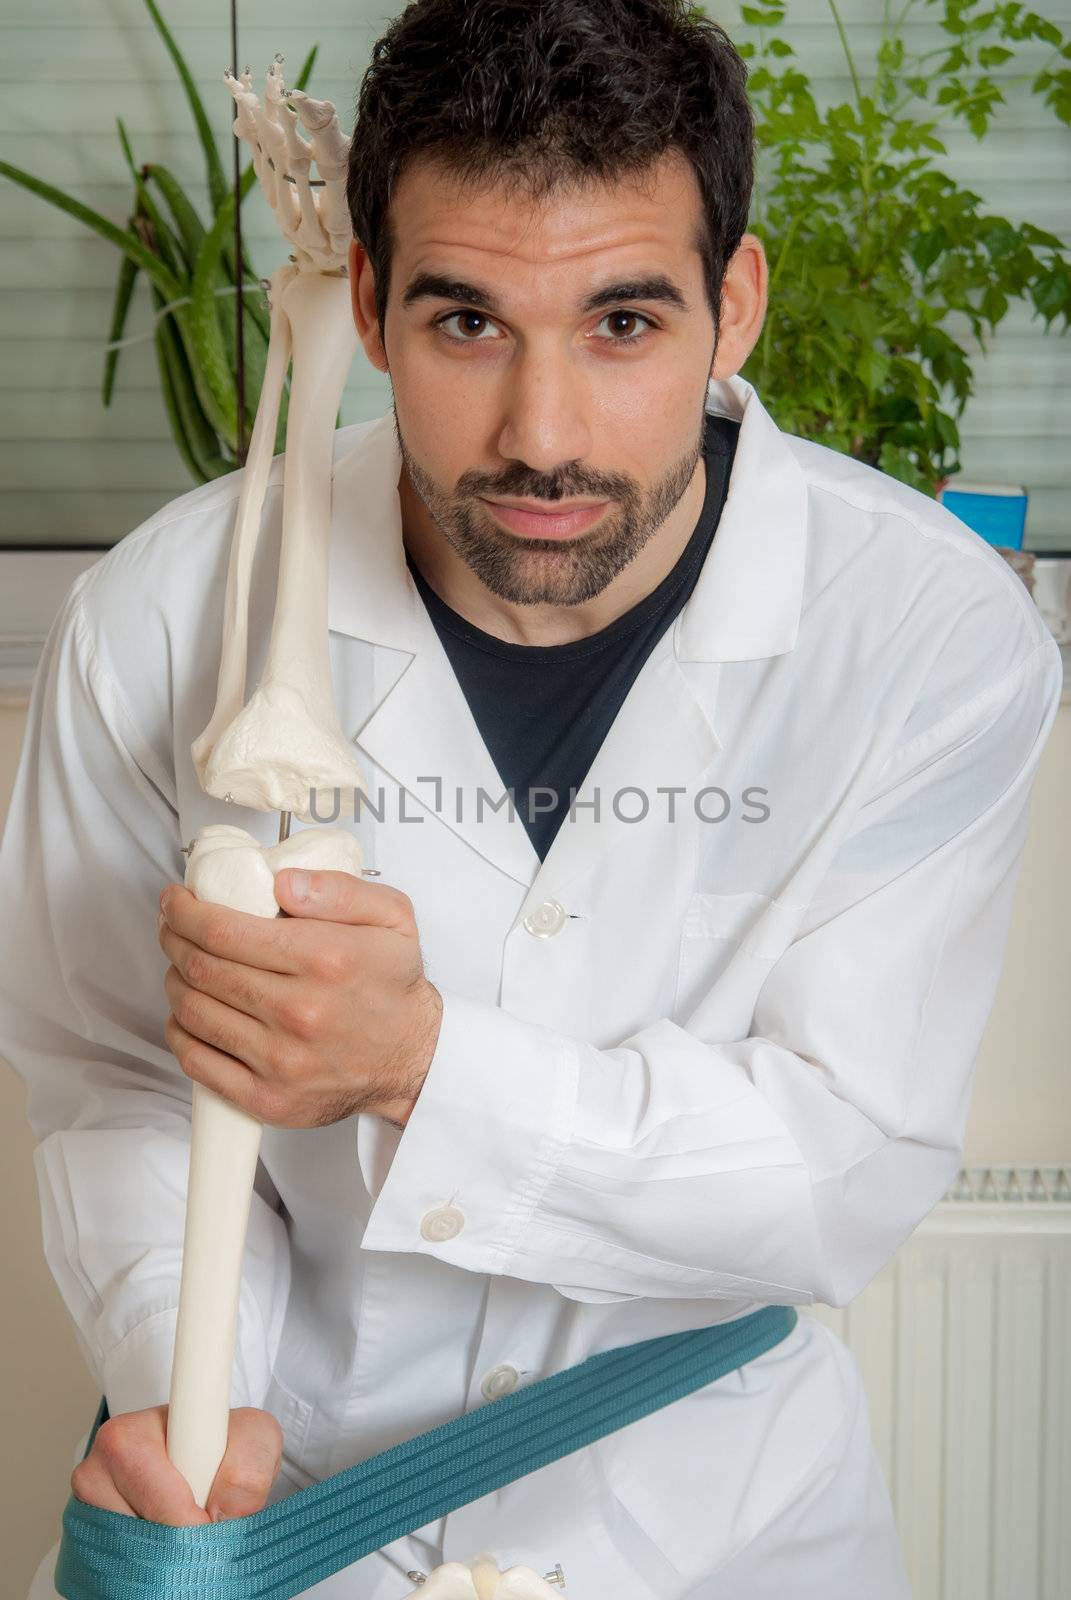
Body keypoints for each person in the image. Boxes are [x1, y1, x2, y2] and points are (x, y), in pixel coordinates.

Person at [1, 2, 1063, 1596]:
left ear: (736, 305)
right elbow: (106, 1069)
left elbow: (841, 1164)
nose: (542, 437)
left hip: (721, 1532)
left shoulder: (927, 637)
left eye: (624, 324)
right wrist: (188, 1361)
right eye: (467, 324)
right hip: (293, 1511)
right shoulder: (166, 613)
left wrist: (418, 1065)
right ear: (365, 303)